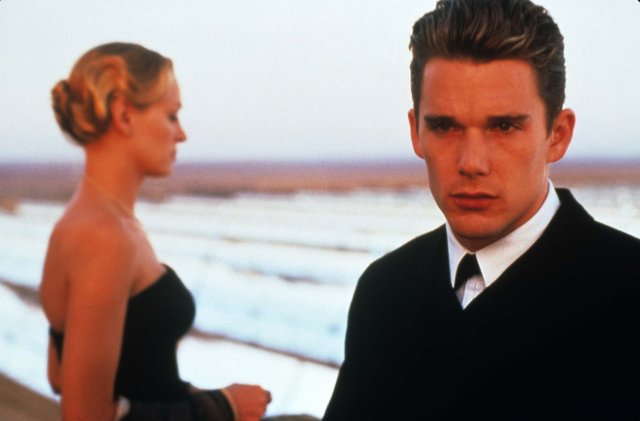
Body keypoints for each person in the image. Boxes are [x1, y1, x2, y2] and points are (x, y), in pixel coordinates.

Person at [324, 1, 640, 419]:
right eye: (445, 127)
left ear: (558, 135)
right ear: (416, 132)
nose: (472, 162)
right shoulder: (384, 292)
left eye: (503, 127)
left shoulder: (630, 297)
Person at [39, 42, 271, 421]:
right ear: (123, 115)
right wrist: (222, 407)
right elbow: (85, 415)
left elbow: (60, 375)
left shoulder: (99, 223)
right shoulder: (104, 235)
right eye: (172, 116)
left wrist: (201, 398)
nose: (182, 134)